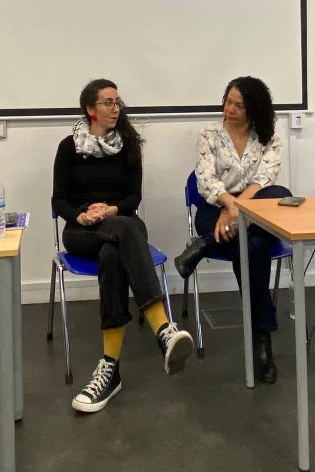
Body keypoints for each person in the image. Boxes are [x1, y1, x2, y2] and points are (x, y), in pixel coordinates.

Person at [52, 78, 193, 413]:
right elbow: (59, 200)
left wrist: (112, 210)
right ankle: (162, 327)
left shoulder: (128, 144)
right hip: (82, 230)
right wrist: (82, 215)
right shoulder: (68, 147)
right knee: (121, 236)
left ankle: (109, 370)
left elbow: (133, 197)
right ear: (90, 109)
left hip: (122, 222)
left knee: (114, 252)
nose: (115, 108)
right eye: (108, 103)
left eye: (117, 102)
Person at [173, 76, 291, 384]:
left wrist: (240, 210)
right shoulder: (209, 135)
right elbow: (205, 181)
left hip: (251, 208)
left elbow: (264, 179)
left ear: (254, 109)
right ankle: (262, 342)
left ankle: (204, 245)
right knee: (254, 247)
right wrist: (229, 205)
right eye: (228, 102)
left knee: (279, 194)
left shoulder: (269, 138)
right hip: (215, 211)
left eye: (239, 105)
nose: (230, 109)